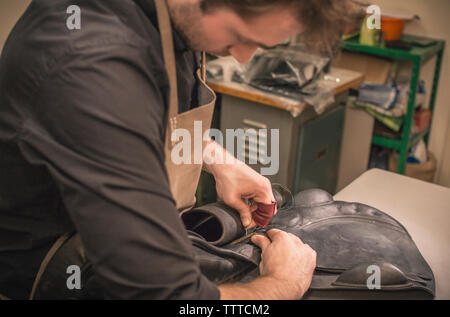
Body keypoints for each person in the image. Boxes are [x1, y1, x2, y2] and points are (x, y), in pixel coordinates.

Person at [0, 0, 360, 299]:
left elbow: (136, 117)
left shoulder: (171, 19)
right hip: (55, 273)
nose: (243, 57)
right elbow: (167, 296)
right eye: (238, 36)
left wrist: (215, 157)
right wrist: (281, 286)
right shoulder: (90, 61)